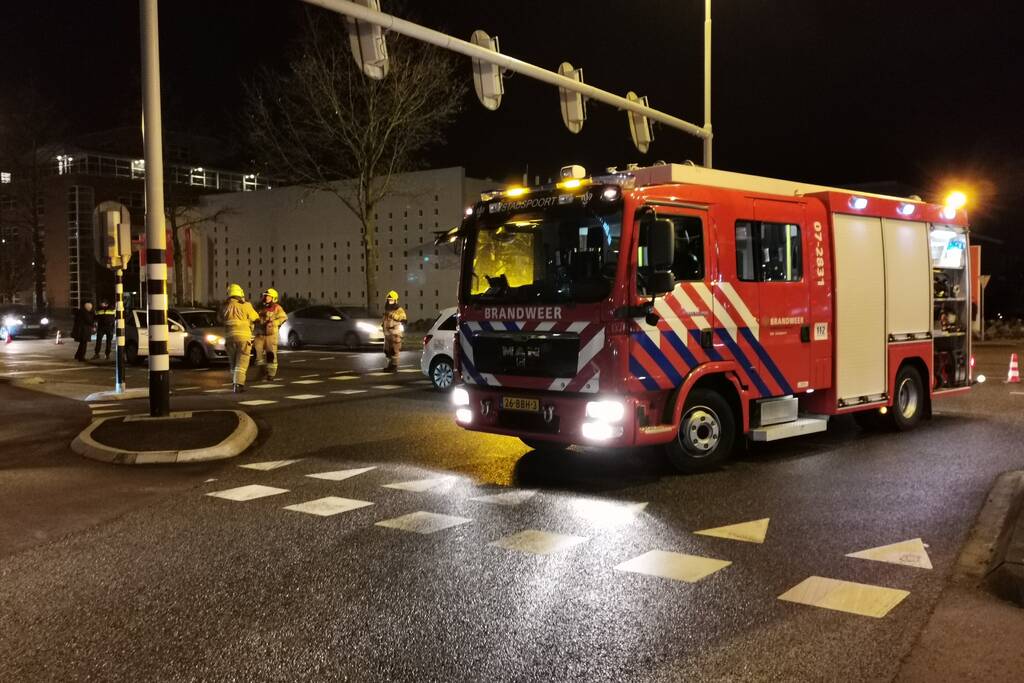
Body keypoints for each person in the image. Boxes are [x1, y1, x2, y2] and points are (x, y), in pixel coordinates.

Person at [218, 283, 259, 393]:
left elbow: (219, 319)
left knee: (233, 362)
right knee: (242, 361)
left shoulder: (224, 306)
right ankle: (238, 385)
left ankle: (234, 381)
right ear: (240, 293)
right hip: (243, 338)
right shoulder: (245, 305)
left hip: (229, 339)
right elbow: (255, 317)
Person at [254, 287, 288, 381]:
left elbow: (283, 317)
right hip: (260, 334)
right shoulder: (260, 307)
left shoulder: (277, 308)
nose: (266, 298)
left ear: (273, 298)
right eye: (265, 296)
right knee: (258, 354)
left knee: (271, 355)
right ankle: (262, 370)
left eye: (268, 297)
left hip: (271, 335)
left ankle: (271, 374)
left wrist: (274, 323)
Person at [381, 290, 407, 372]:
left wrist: (393, 315)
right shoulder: (386, 310)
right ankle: (390, 365)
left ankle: (394, 366)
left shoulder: (399, 310)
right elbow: (385, 321)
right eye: (389, 300)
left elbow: (403, 319)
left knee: (394, 350)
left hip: (395, 334)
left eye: (391, 300)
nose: (390, 301)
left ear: (395, 300)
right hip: (387, 334)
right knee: (387, 351)